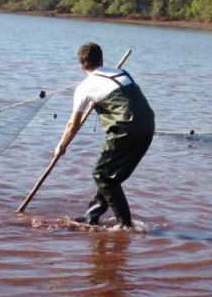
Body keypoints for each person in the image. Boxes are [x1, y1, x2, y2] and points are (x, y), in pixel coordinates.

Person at [54, 42, 154, 228]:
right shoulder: (123, 74)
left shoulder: (85, 87)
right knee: (111, 177)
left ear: (81, 67)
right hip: (148, 125)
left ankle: (125, 226)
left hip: (126, 128)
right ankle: (92, 217)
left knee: (102, 175)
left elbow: (72, 125)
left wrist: (61, 146)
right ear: (101, 60)